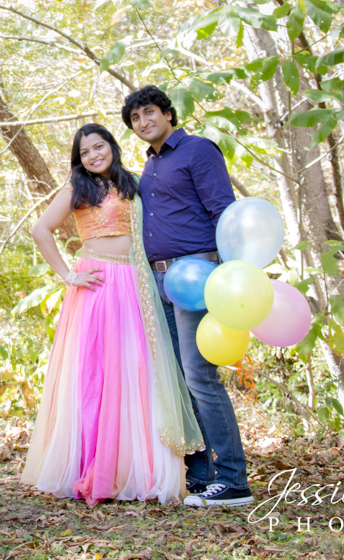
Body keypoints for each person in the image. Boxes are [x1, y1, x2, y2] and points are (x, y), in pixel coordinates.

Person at [20, 123, 203, 506]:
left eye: (98, 147)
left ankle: (140, 468)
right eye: (85, 152)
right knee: (98, 373)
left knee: (137, 370)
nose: (93, 156)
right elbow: (40, 230)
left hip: (136, 284)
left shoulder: (133, 184)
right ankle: (95, 466)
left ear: (112, 147)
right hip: (98, 285)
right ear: (79, 159)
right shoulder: (77, 188)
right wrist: (68, 275)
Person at [122, 85, 253, 508]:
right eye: (136, 119)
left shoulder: (198, 151)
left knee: (200, 377)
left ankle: (234, 480)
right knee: (179, 380)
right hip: (159, 281)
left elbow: (223, 211)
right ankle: (201, 476)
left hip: (195, 274)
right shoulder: (151, 165)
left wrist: (228, 272)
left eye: (149, 113)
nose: (144, 122)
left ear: (168, 113)